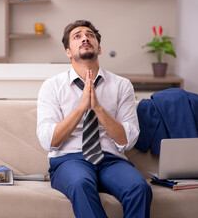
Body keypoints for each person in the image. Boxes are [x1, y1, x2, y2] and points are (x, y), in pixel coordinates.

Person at [36, 20, 152, 218]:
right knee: (81, 184)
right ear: (68, 52)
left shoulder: (122, 85)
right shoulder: (52, 86)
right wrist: (82, 108)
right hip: (69, 160)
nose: (85, 38)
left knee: (139, 188)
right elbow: (50, 141)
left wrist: (97, 108)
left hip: (111, 160)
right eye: (77, 36)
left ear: (99, 49)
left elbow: (127, 140)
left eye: (90, 35)